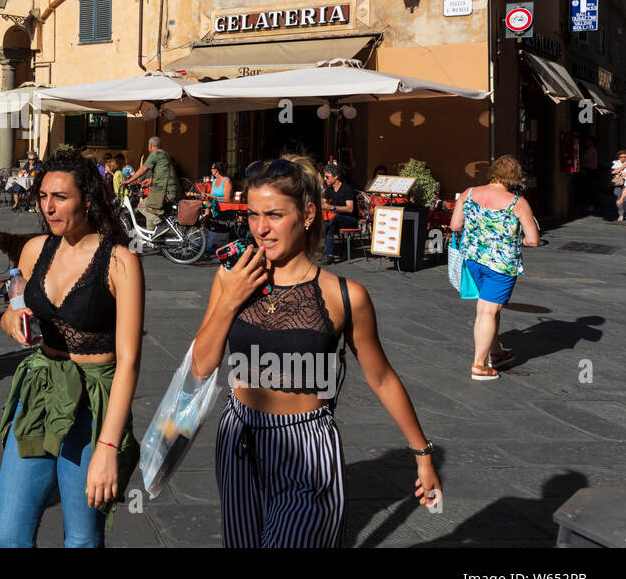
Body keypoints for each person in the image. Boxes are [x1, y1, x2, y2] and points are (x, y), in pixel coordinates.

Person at [188, 155, 441, 547]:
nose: (260, 228)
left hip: (308, 448)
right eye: (253, 215)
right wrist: (228, 300)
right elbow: (202, 365)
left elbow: (381, 376)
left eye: (274, 214)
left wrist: (422, 454)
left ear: (307, 214)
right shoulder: (231, 276)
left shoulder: (345, 296)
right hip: (239, 438)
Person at [0, 151, 143, 548]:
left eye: (60, 197)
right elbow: (12, 309)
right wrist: (14, 322)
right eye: (43, 196)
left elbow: (129, 360)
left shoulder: (120, 262)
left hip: (93, 403)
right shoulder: (35, 249)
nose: (48, 206)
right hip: (40, 391)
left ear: (88, 200)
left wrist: (109, 447)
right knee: (8, 536)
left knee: (81, 539)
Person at [450, 155, 541, 381]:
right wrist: (512, 240)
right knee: (487, 310)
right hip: (501, 264)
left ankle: (496, 352)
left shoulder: (468, 193)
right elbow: (533, 240)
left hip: (473, 259)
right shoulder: (517, 203)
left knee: (490, 308)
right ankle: (479, 365)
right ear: (514, 178)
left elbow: (454, 225)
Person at [124, 136, 178, 230]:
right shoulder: (165, 155)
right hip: (171, 190)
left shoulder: (155, 154)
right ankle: (152, 240)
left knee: (141, 206)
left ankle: (160, 224)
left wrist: (129, 180)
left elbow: (143, 169)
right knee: (150, 210)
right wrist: (149, 181)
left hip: (164, 192)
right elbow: (163, 173)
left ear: (150, 145)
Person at [321, 162, 358, 263]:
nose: (325, 179)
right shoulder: (329, 190)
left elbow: (350, 208)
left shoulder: (347, 189)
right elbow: (324, 203)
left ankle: (320, 232)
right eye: (324, 176)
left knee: (333, 220)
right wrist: (322, 201)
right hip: (336, 220)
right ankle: (330, 256)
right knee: (330, 225)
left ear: (335, 177)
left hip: (351, 219)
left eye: (327, 177)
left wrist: (331, 207)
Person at [612, 150, 626, 222]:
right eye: (621, 157)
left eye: (625, 157)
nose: (623, 158)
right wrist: (623, 167)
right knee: (618, 199)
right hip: (618, 183)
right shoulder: (615, 163)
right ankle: (621, 214)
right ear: (618, 157)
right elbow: (613, 172)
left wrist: (619, 173)